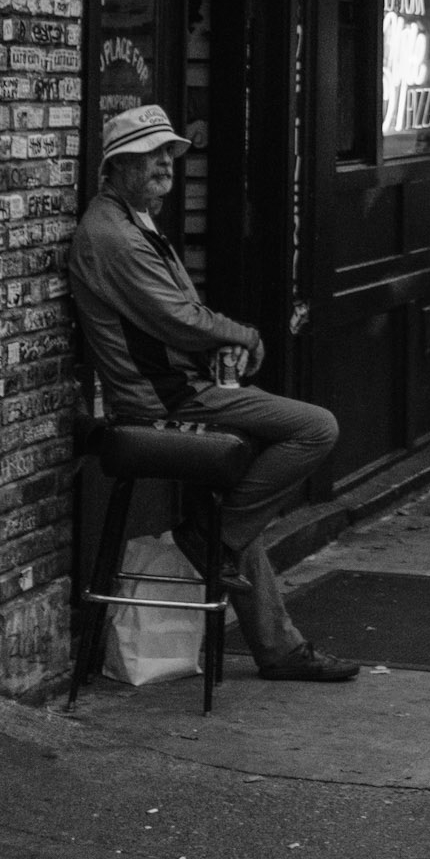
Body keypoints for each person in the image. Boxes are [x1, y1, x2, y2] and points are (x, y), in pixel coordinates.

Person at [68, 103, 359, 683]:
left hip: (182, 387)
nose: (164, 164)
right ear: (116, 165)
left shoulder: (135, 220)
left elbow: (173, 316)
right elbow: (177, 318)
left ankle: (275, 644)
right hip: (163, 401)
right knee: (315, 427)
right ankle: (211, 541)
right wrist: (240, 335)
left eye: (169, 154)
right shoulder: (112, 235)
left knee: (230, 515)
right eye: (149, 155)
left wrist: (214, 349)